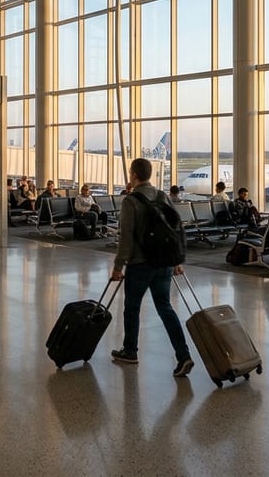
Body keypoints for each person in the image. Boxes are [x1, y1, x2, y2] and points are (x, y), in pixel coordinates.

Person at [110, 158, 194, 377]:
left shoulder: (131, 201)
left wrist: (118, 267)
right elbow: (173, 229)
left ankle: (130, 351)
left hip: (140, 264)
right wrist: (176, 261)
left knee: (132, 308)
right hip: (164, 263)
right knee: (165, 307)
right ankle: (183, 355)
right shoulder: (162, 195)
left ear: (134, 175)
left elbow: (125, 238)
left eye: (130, 172)